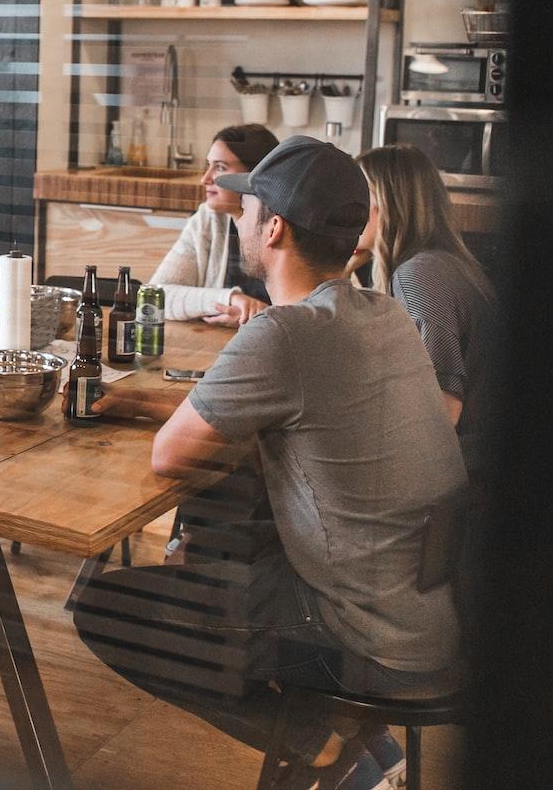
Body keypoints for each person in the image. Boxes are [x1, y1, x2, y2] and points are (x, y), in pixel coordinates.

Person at [71, 136, 468, 790]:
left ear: (274, 228)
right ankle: (357, 748)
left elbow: (169, 455)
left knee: (104, 606)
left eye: (251, 205)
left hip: (362, 642)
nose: (242, 216)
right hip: (425, 616)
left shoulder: (283, 333)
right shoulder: (383, 314)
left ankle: (315, 743)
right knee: (228, 534)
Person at [356, 144, 498, 476]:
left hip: (465, 477)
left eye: (357, 197)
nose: (345, 209)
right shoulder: (442, 263)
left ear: (386, 203)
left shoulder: (420, 275)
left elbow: (439, 413)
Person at [148, 123, 279, 325]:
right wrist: (230, 299)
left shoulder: (286, 227)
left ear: (254, 175)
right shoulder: (207, 219)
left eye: (219, 167)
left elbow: (308, 316)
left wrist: (255, 318)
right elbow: (156, 296)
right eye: (208, 165)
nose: (205, 178)